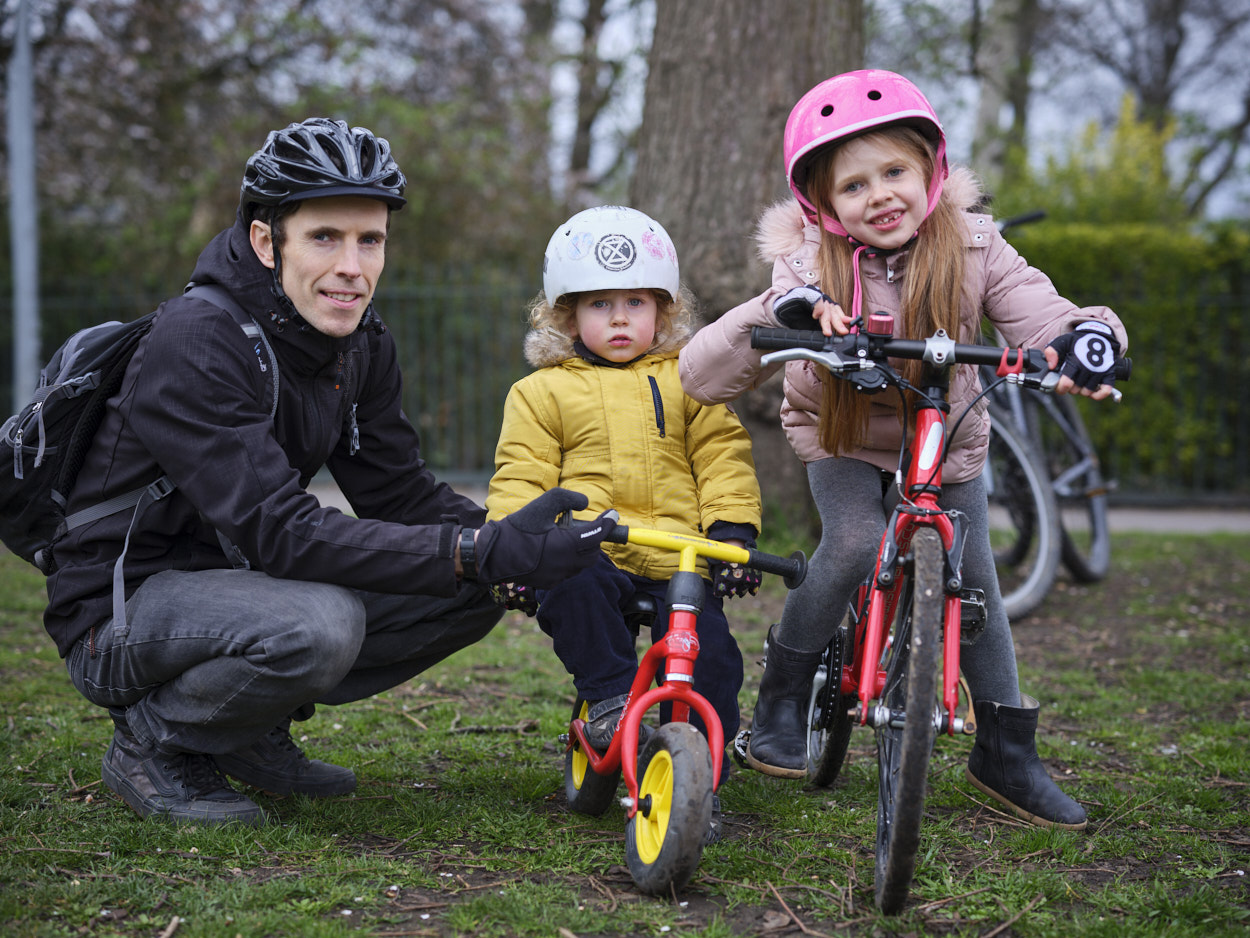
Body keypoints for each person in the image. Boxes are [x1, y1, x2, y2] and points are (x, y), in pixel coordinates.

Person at [44, 118, 616, 826]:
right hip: (120, 611)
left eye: (369, 240)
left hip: (241, 583)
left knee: (477, 587)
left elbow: (398, 493)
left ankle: (244, 731)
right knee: (322, 623)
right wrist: (477, 550)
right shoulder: (197, 341)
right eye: (325, 238)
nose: (353, 266)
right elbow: (279, 533)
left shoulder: (358, 339)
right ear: (265, 241)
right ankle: (154, 741)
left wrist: (522, 543)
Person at [679, 70, 1128, 830]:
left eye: (895, 171)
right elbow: (705, 370)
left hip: (947, 438)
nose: (880, 194)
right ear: (822, 205)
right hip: (843, 438)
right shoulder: (806, 265)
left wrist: (1084, 342)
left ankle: (1005, 751)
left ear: (932, 171)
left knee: (976, 582)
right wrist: (788, 314)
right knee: (852, 541)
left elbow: (1041, 313)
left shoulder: (979, 246)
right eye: (853, 185)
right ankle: (784, 694)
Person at [486, 206, 762, 836]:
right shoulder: (541, 392)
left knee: (713, 656)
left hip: (677, 557)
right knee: (573, 589)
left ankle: (701, 770)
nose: (618, 318)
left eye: (635, 302)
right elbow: (522, 472)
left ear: (662, 312)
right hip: (593, 547)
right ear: (566, 316)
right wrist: (515, 546)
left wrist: (731, 532)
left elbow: (722, 455)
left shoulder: (693, 382)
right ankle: (611, 700)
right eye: (598, 304)